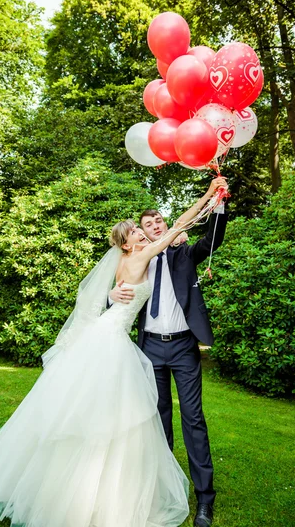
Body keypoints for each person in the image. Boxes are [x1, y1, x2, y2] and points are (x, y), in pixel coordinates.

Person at [0, 179, 221, 527]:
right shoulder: (141, 256)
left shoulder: (129, 260)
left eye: (146, 228)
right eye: (137, 231)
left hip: (119, 337)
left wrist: (212, 204)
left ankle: (168, 490)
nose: (143, 233)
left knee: (109, 412)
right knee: (125, 416)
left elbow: (175, 237)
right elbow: (178, 226)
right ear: (129, 243)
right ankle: (121, 488)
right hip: (120, 341)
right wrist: (206, 196)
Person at [110, 176, 228, 527]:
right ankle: (162, 490)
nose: (154, 226)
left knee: (193, 420)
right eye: (146, 225)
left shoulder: (183, 252)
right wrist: (113, 297)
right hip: (149, 349)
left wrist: (218, 202)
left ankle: (205, 499)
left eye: (158, 220)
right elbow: (116, 291)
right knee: (157, 421)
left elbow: (213, 238)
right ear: (140, 234)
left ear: (164, 222)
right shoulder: (140, 259)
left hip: (182, 348)